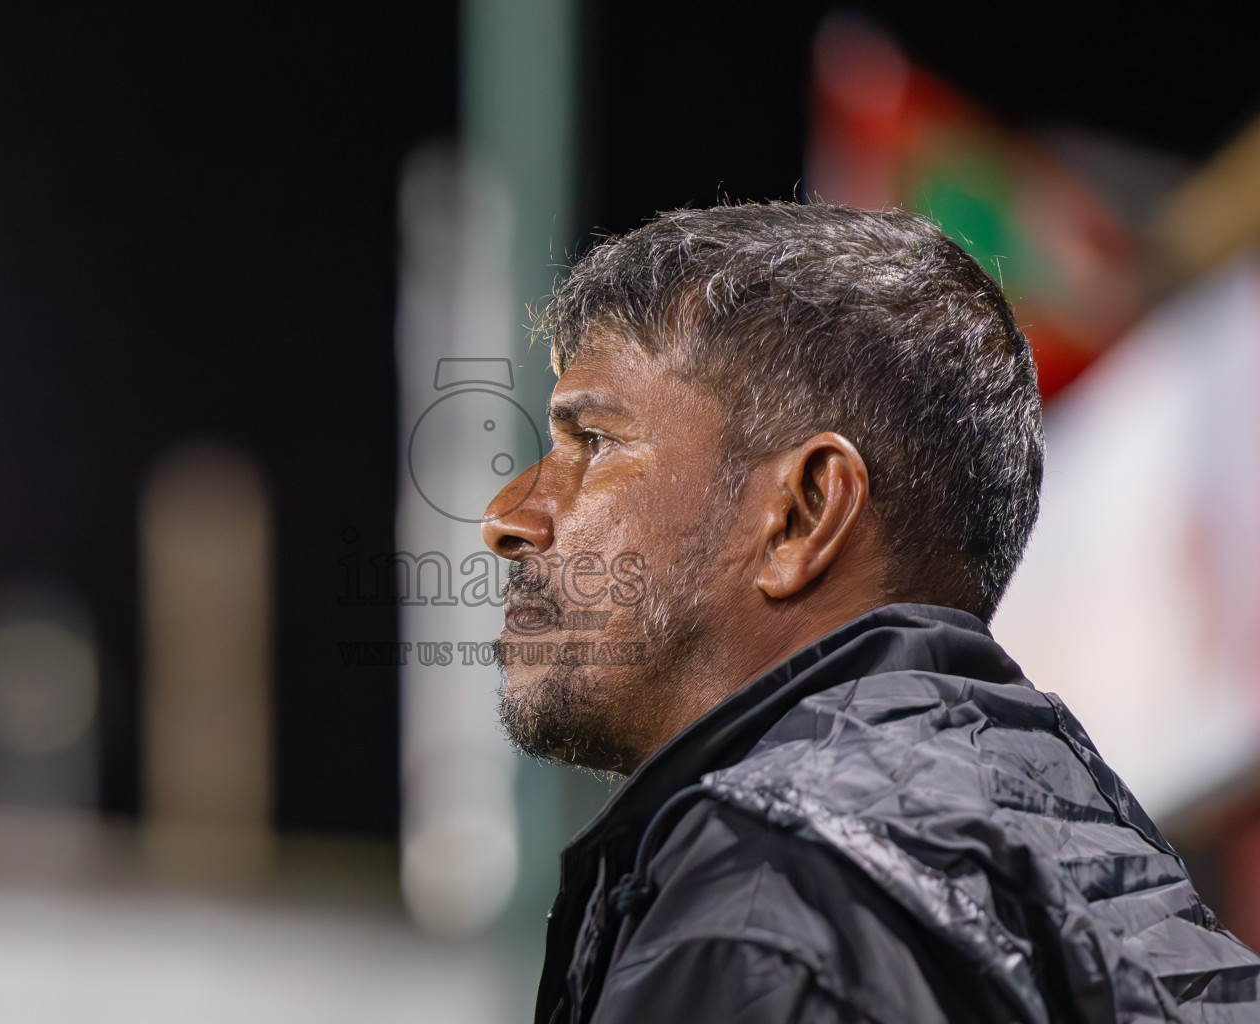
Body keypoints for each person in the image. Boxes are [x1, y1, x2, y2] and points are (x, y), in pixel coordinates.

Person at [481, 203, 1260, 1023]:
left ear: (804, 513)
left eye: (594, 440)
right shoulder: (1114, 892)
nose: (509, 515)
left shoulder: (764, 903)